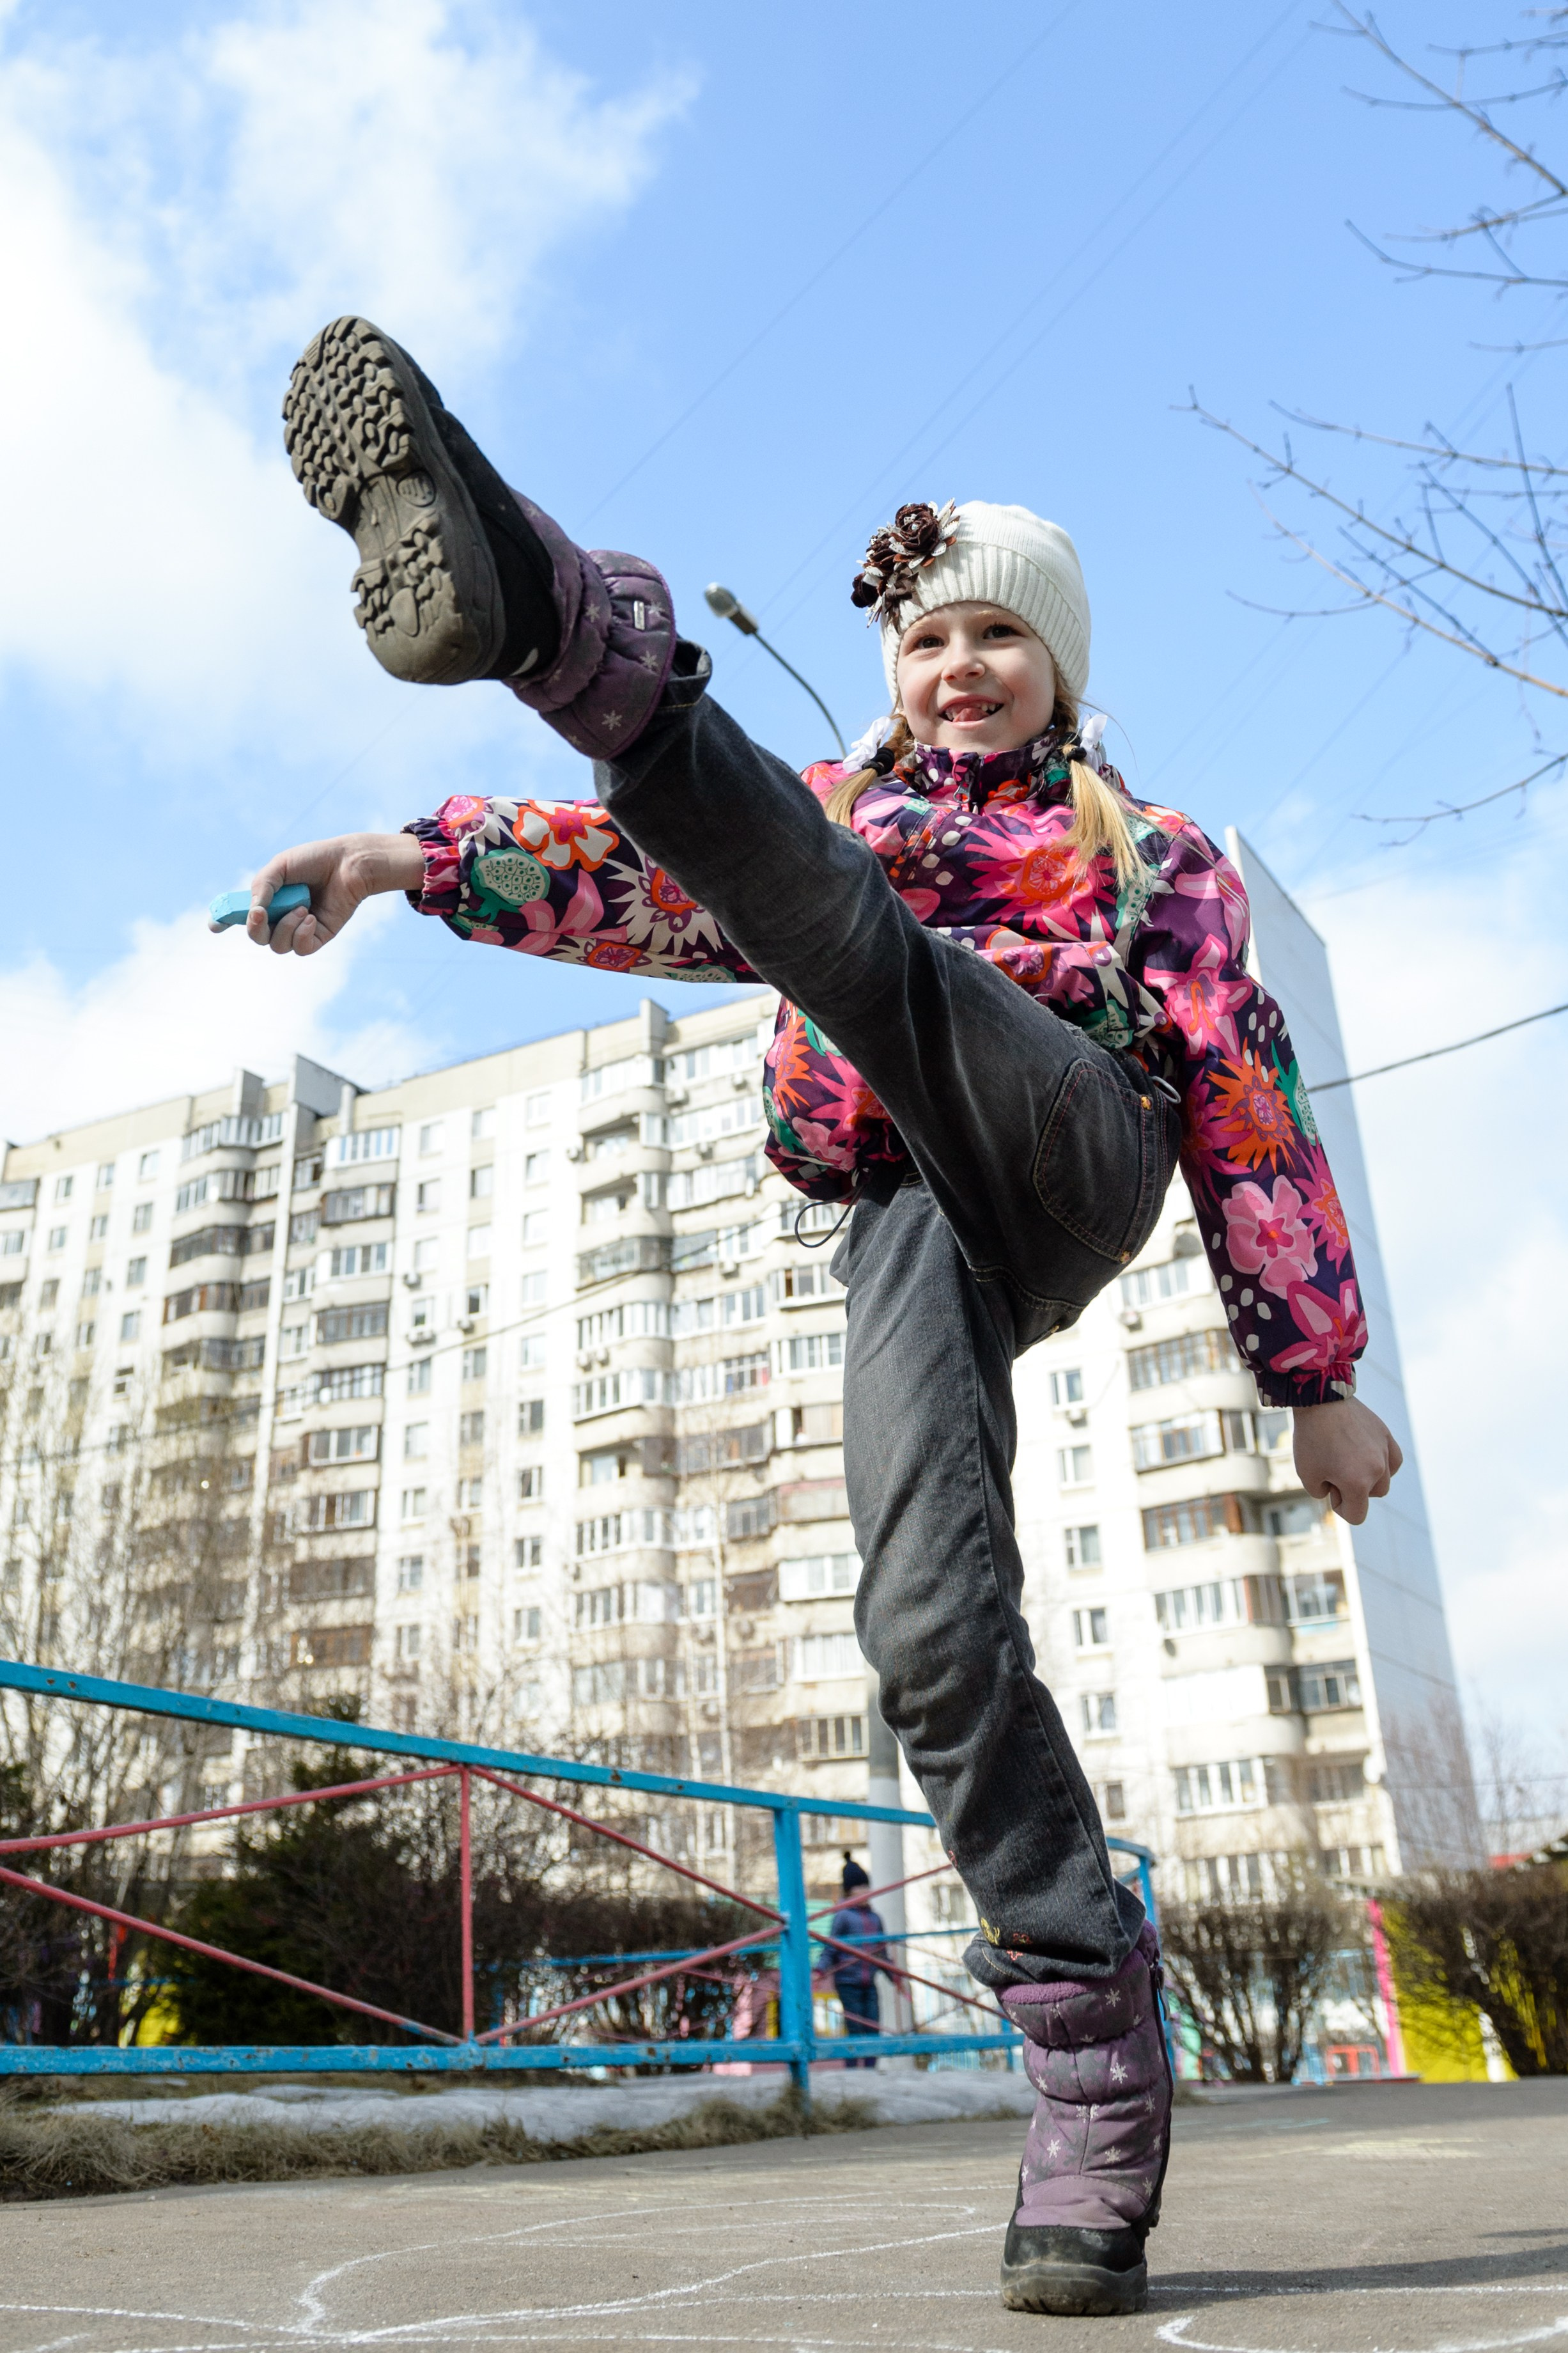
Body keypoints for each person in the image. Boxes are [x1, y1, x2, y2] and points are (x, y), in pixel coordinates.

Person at [245, 316, 1403, 2317]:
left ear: (1058, 665)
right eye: (927, 639)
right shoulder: (835, 815)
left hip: (1067, 1135)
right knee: (925, 1633)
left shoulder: (1148, 857)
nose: (957, 667)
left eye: (997, 636)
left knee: (877, 948)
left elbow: (1239, 1095)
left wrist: (1313, 1376)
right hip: (903, 1215)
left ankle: (578, 635)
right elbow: (630, 876)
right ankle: (1087, 2037)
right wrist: (399, 856)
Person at [822, 1855, 891, 2067]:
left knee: (873, 2027)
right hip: (847, 1982)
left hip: (869, 1982)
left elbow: (881, 1953)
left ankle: (871, 2070)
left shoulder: (875, 1918)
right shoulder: (842, 1917)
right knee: (855, 2027)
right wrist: (820, 1970)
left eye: (867, 1887)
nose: (865, 1892)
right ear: (849, 1892)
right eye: (860, 1888)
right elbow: (831, 1946)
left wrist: (894, 1977)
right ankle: (852, 2071)